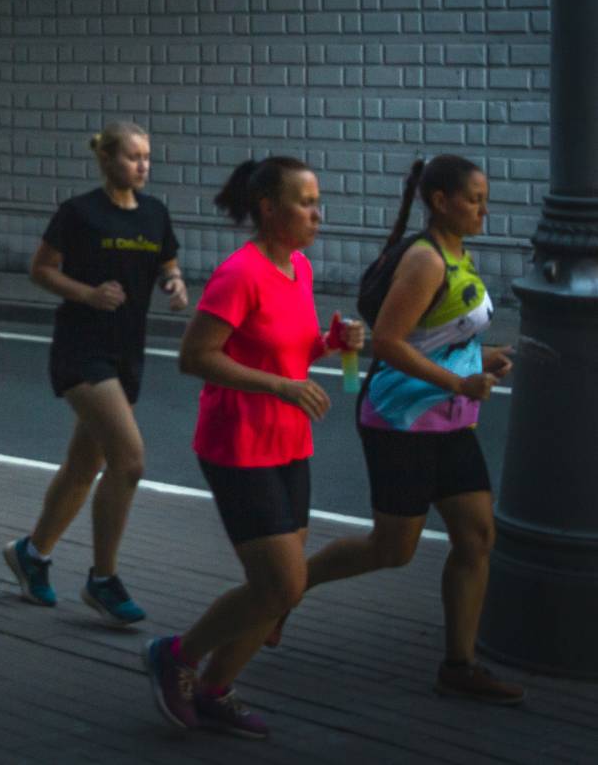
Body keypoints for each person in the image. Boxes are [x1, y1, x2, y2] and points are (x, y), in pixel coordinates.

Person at [144, 156, 363, 739]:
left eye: (318, 202)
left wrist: (331, 342)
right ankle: (176, 655)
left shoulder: (298, 268)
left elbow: (288, 350)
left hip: (289, 441)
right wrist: (280, 387)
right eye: (306, 203)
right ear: (269, 209)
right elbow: (195, 357)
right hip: (239, 445)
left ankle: (214, 689)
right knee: (281, 585)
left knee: (279, 591)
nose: (318, 214)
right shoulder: (239, 274)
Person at [299, 156, 522, 704]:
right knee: (392, 548)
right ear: (441, 201)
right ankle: (285, 588)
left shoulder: (459, 254)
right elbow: (388, 343)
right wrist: (459, 381)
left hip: (448, 420)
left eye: (485, 199)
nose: (484, 210)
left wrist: (486, 357)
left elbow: (435, 340)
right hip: (400, 420)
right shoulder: (426, 261)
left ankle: (459, 665)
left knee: (477, 537)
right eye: (475, 199)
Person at [4, 122, 188, 626]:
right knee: (128, 459)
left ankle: (32, 554)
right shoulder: (79, 212)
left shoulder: (154, 213)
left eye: (147, 157)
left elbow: (168, 263)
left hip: (127, 352)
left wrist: (174, 283)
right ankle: (103, 579)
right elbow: (41, 269)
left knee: (84, 466)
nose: (143, 165)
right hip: (81, 350)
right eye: (132, 157)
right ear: (106, 160)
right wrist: (87, 294)